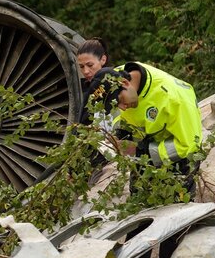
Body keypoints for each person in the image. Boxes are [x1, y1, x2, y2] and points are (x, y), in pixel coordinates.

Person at [86, 63, 202, 193]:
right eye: (116, 104)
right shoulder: (115, 78)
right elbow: (122, 116)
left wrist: (139, 151)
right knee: (139, 200)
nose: (122, 107)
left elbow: (189, 145)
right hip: (144, 152)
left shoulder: (175, 100)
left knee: (174, 206)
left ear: (125, 83)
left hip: (179, 160)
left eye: (120, 101)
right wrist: (120, 134)